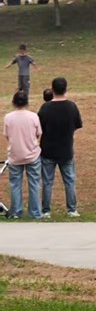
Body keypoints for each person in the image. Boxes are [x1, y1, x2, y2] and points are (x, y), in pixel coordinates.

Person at [38, 76, 83, 218]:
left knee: (47, 181)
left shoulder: (45, 108)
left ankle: (46, 210)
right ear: (66, 89)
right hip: (66, 149)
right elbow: (77, 125)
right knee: (69, 180)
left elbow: (39, 127)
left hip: (48, 149)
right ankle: (72, 209)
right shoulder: (71, 106)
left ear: (52, 89)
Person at [3, 90, 42, 219]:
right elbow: (38, 133)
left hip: (15, 155)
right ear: (27, 102)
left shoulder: (8, 117)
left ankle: (16, 212)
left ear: (13, 102)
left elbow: (7, 135)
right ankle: (35, 212)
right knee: (34, 183)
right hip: (32, 154)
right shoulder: (33, 116)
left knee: (15, 184)